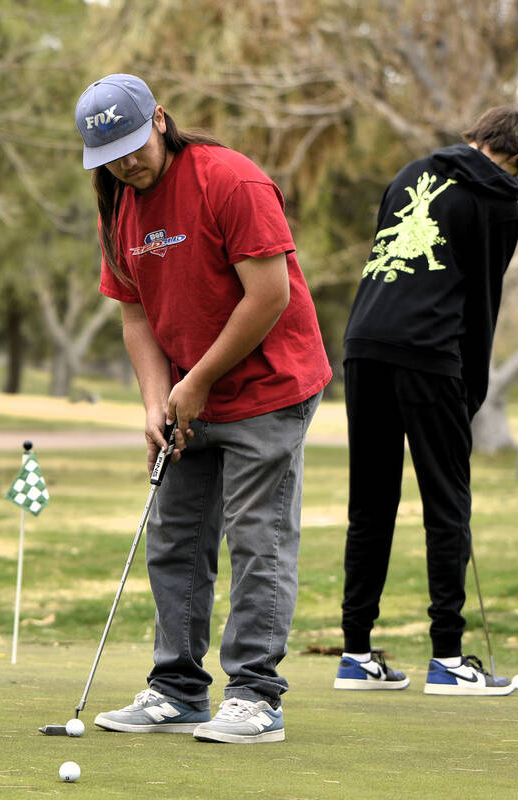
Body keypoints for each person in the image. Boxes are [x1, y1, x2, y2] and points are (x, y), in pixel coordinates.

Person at [74, 74, 332, 743]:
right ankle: (178, 689)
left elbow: (268, 296)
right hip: (190, 393)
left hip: (269, 386)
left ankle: (255, 696)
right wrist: (158, 402)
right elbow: (135, 316)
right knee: (176, 536)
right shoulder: (118, 208)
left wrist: (197, 384)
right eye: (110, 156)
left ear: (159, 120)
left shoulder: (230, 181)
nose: (127, 164)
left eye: (134, 145)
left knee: (257, 537)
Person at [335, 107, 518, 696]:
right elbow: (483, 302)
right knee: (447, 502)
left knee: (370, 504)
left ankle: (356, 653)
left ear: (474, 137)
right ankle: (448, 657)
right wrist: (471, 388)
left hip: (363, 347)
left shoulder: (410, 173)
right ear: (516, 159)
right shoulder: (499, 197)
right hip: (429, 356)